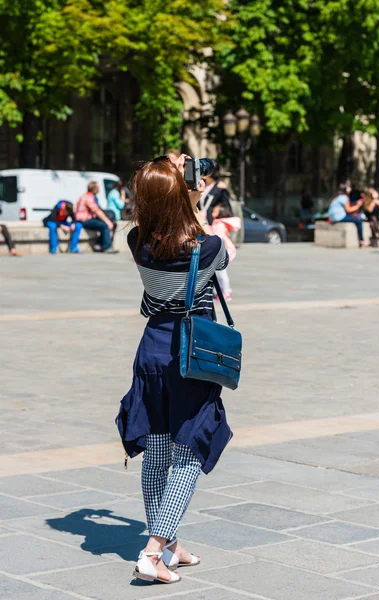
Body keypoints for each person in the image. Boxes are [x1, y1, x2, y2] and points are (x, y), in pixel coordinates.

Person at [116, 154, 231, 585]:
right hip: (191, 356)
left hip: (152, 351)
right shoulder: (210, 246)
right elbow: (210, 252)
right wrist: (195, 196)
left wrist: (175, 188)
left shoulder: (135, 241)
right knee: (188, 454)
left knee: (158, 451)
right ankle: (152, 550)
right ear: (184, 195)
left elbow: (165, 229)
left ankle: (172, 545)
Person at [75, 182, 118, 254]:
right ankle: (107, 247)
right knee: (104, 225)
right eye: (98, 188)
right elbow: (97, 210)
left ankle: (98, 244)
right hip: (84, 220)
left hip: (87, 218)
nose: (99, 190)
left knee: (110, 215)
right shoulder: (88, 197)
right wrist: (108, 222)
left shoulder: (88, 196)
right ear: (94, 189)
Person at [211, 204, 241, 301]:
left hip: (223, 250)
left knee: (221, 272)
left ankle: (226, 293)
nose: (212, 213)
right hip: (222, 250)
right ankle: (221, 292)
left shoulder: (219, 224)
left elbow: (218, 237)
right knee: (219, 272)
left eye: (215, 211)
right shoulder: (217, 222)